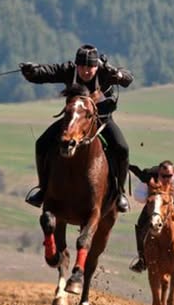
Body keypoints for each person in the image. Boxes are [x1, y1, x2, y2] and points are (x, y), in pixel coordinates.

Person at [20, 44, 134, 213]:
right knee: (41, 143)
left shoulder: (105, 72)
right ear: (76, 64)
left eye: (90, 67)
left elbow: (128, 78)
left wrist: (118, 74)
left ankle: (119, 193)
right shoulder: (68, 70)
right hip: (73, 120)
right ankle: (43, 190)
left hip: (101, 121)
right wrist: (31, 72)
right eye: (81, 66)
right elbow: (47, 72)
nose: (86, 71)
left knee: (122, 148)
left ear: (97, 66)